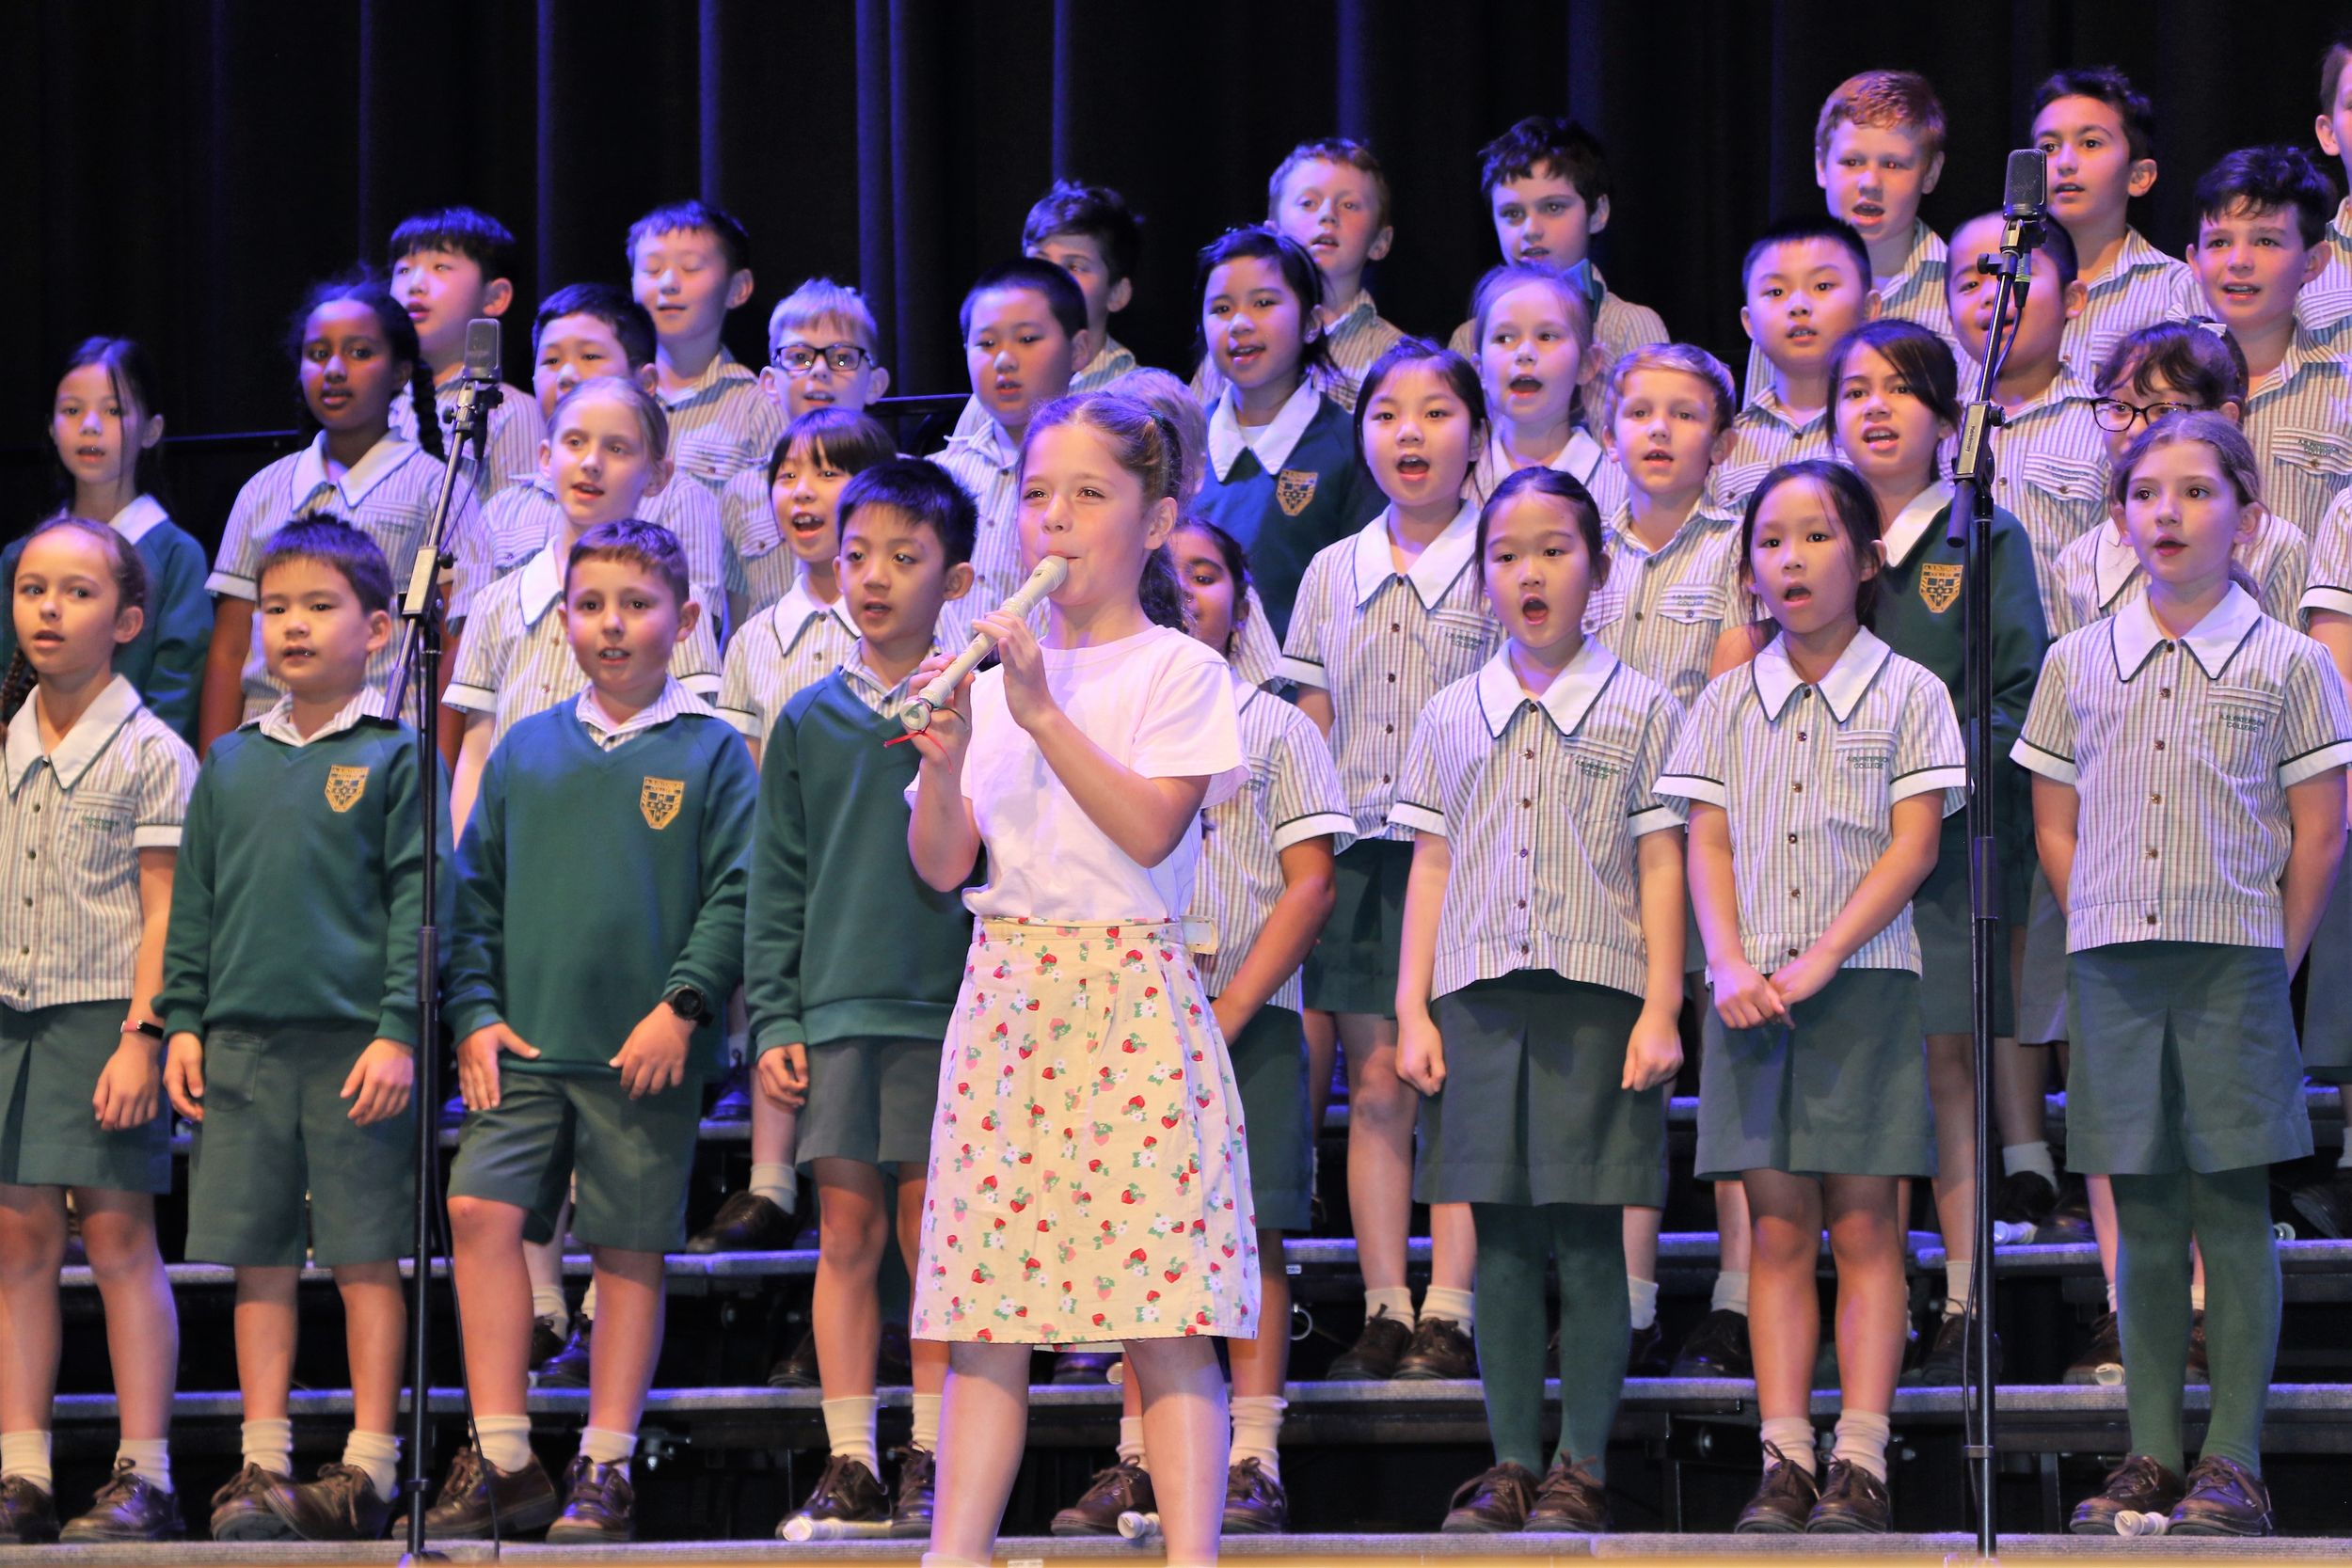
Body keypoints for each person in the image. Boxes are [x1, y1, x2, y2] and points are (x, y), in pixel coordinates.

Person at [905, 391, 1256, 1567]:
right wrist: (948, 758)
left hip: (1128, 995)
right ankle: (955, 1551)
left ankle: (1192, 1555)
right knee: (983, 1315)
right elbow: (942, 863)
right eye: (1037, 494)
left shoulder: (1175, 669)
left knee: (1163, 1313)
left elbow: (1150, 828)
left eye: (1089, 495)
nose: (1053, 519)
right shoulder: (989, 671)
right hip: (1007, 994)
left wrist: (1038, 710)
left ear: (1154, 522)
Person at [2019, 413, 2352, 1538]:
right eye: (2147, 492)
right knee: (2145, 1208)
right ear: (2119, 517)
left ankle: (2235, 1460)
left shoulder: (2290, 661)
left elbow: (2318, 831)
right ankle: (2151, 1449)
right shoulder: (2076, 660)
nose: (2168, 511)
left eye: (2198, 491)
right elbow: (2054, 819)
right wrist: (2099, 914)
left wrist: (2272, 956)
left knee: (2231, 1207)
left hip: (2234, 963)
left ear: (2247, 517)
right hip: (2114, 963)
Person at [431, 521, 755, 1544]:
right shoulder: (525, 746)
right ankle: (505, 1457)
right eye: (591, 605)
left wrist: (683, 1005)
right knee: (477, 1208)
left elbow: (738, 892)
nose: (612, 624)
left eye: (637, 604)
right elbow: (474, 894)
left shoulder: (710, 749)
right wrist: (475, 1012)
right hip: (525, 1047)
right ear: (563, 619)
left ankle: (605, 1464)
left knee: (625, 1248)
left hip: (641, 1055)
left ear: (685, 620)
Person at [1657, 460, 1963, 1535]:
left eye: (1817, 536)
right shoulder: (1723, 700)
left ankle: (1861, 1455)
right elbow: (1705, 839)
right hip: (1750, 993)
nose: (1791, 559)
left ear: (1868, 559)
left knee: (1867, 1223)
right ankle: (1783, 1453)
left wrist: (1826, 955)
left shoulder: (1911, 691)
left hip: (1862, 984)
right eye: (1771, 541)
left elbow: (1914, 843)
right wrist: (1727, 962)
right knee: (1777, 1227)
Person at [1395, 468, 1685, 1535]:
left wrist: (1662, 1005)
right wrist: (1413, 1007)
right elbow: (1431, 863)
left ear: (1597, 569)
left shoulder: (1644, 706)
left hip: (1595, 996)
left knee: (1590, 1232)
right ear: (1483, 576)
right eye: (1508, 554)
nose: (1531, 572)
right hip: (1475, 999)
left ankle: (1582, 1463)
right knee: (1501, 1237)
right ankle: (1513, 1458)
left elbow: (1661, 863)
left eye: (1555, 550)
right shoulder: (1448, 713)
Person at [1050, 516, 1348, 1537]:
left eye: (1208, 573)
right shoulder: (1101, 718)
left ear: (1242, 600)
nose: (1186, 589)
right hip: (1125, 1010)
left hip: (1241, 1016)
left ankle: (1253, 1453)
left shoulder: (1278, 728)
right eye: (1168, 572)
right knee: (1136, 1235)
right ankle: (1139, 1455)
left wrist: (1227, 1009)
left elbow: (1311, 885)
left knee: (1250, 1231)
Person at [161, 521, 446, 1543]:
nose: (291, 626)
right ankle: (263, 1460)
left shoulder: (397, 755)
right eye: (276, 608)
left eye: (319, 607)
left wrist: (398, 1031)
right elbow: (196, 903)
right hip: (241, 1044)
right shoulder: (230, 760)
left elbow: (421, 904)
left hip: (354, 1046)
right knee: (260, 1259)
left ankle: (372, 1465)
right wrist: (181, 1021)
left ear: (376, 630)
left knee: (367, 1255)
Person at [1821, 320, 2049, 1386]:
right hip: (1831, 854)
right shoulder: (1813, 529)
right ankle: (1877, 1291)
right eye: (1855, 389)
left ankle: (1965, 1295)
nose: (1875, 407)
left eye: (1902, 389)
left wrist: (1924, 778)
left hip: (1947, 846)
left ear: (1949, 420)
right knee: (1865, 1075)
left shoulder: (1980, 536)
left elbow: (2018, 692)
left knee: (1948, 1065)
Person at [753, 461, 975, 1542]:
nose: (874, 576)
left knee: (935, 1233)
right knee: (845, 1229)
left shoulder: (981, 705)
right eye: (856, 556)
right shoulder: (806, 716)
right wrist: (776, 1014)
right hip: (837, 1006)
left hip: (952, 1009)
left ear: (956, 577)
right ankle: (852, 1455)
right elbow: (777, 876)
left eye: (904, 556)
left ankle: (933, 1446)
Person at [1279, 341, 1498, 1386]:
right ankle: (1384, 1303)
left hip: (1473, 855)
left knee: (1453, 1080)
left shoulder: (1504, 553)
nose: (1410, 432)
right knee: (1374, 1083)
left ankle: (1451, 1308)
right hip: (1366, 855)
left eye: (1436, 412)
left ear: (1478, 434)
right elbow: (1310, 718)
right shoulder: (1333, 568)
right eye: (1386, 414)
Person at [0, 519, 194, 1544]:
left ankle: (145, 1471)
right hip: (10, 1017)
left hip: (104, 1017)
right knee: (18, 1239)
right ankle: (22, 1469)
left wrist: (143, 1033)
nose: (48, 608)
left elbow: (165, 911)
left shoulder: (153, 752)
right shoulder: (6, 737)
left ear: (125, 620)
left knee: (118, 1237)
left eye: (77, 592)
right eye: (33, 587)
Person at [198, 277, 486, 754]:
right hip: (265, 747)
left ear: (399, 372)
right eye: (318, 354)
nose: (334, 369)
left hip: (384, 751)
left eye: (359, 353)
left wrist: (440, 770)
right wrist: (214, 768)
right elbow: (230, 650)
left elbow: (456, 645)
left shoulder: (437, 488)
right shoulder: (262, 491)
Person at [0, 341, 210, 744]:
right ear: (51, 428)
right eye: (72, 410)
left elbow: (177, 695)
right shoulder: (19, 555)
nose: (90, 425)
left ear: (151, 430)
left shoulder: (176, 555)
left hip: (136, 769)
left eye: (113, 411)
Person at [489, 284, 728, 626]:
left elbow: (693, 626)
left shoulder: (679, 499)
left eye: (589, 357)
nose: (567, 376)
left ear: (646, 381)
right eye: (551, 361)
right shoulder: (502, 510)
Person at [1188, 228, 1384, 639]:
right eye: (1221, 308)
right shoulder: (1181, 443)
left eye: (1263, 303)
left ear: (1311, 323)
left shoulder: (1351, 447)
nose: (1240, 323)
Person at [1741, 71, 1957, 404]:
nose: (1870, 183)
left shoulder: (1961, 288)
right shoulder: (1779, 288)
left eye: (1893, 164)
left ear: (1930, 173)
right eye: (1852, 162)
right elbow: (1764, 417)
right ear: (1821, 166)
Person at [1946, 210, 2106, 626]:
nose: (1992, 293)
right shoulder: (1937, 428)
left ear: (2072, 299)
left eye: (2015, 273)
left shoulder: (2105, 424)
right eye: (1970, 284)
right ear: (1947, 313)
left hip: (2066, 654)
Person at [930, 260, 1093, 651]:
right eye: (986, 344)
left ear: (1078, 350)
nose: (1003, 359)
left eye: (1027, 339)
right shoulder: (938, 477)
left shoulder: (1102, 474)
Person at [2189, 147, 2352, 533]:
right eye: (2219, 242)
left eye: (2266, 242)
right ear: (2194, 261)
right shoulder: (2158, 383)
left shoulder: (2343, 393)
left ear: (2313, 262)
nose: (2239, 261)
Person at [1189, 139, 1405, 411]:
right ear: (1273, 233)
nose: (1328, 215)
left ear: (1380, 242)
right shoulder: (1235, 345)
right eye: (1308, 203)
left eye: (1349, 205)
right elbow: (1193, 431)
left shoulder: (1396, 357)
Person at [1444, 116, 1666, 370]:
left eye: (1553, 207)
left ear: (1598, 213)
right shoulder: (1469, 339)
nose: (1530, 230)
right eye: (1512, 213)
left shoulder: (1628, 326)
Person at [732, 278, 896, 618]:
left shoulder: (902, 483)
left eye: (842, 358)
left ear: (875, 384)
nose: (820, 370)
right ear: (769, 383)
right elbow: (737, 618)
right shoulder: (741, 491)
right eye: (800, 357)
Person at [2028, 70, 2203, 376]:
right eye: (2049, 147)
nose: (2065, 163)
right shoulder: (2001, 283)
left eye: (2090, 143)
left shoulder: (2177, 290)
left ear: (2139, 176)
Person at [1714, 217, 1879, 512]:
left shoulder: (1887, 424)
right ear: (1748, 323)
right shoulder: (1725, 443)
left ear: (1869, 308)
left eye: (1822, 286)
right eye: (1776, 292)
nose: (1799, 306)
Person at [385, 206, 546, 503]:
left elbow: (512, 524)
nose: (415, 285)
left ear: (495, 297)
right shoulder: (376, 400)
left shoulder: (509, 411)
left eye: (440, 267)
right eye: (403, 270)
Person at [628, 200, 785, 497]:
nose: (668, 283)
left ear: (738, 288)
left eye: (690, 268)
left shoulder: (759, 407)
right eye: (652, 269)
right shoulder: (611, 396)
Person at [1467, 264, 1625, 518]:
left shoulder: (1622, 489)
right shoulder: (1455, 488)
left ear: (1586, 364)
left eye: (1547, 336)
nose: (1524, 353)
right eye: (1504, 338)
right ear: (1480, 369)